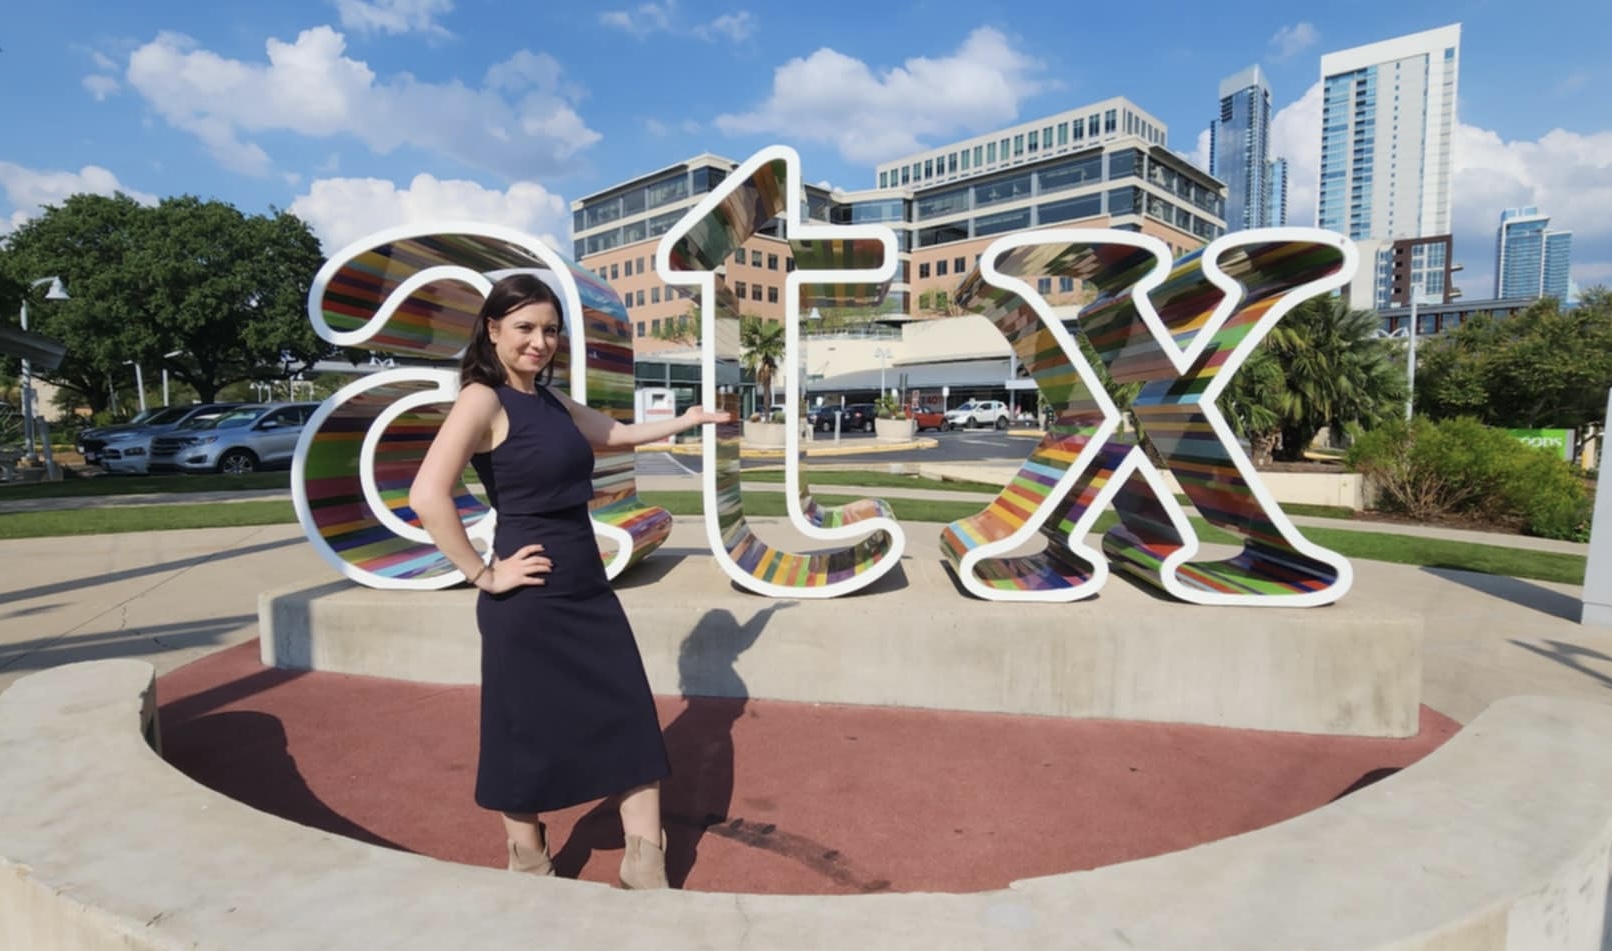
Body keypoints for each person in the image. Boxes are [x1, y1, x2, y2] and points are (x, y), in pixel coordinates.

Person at [409, 272, 730, 889]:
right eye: (525, 328)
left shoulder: (548, 400)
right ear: (492, 329)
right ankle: (527, 855)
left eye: (550, 330)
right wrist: (481, 573)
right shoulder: (483, 398)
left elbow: (613, 434)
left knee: (628, 711)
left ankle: (644, 858)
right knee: (523, 727)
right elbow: (428, 494)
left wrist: (684, 419)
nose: (539, 341)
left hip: (585, 581)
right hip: (528, 595)